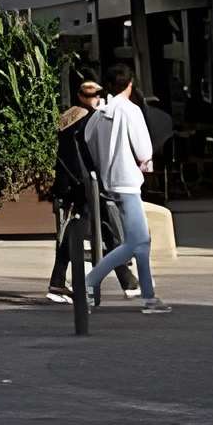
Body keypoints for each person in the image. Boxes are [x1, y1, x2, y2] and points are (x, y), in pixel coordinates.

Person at [84, 64, 165, 312]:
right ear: (130, 84)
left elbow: (88, 142)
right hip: (128, 182)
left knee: (140, 242)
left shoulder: (99, 113)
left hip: (108, 182)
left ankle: (149, 296)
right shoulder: (131, 110)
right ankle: (90, 281)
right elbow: (144, 150)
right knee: (136, 241)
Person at [45, 77, 111, 305]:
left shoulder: (68, 117)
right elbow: (86, 154)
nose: (97, 98)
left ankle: (59, 281)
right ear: (82, 96)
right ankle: (126, 278)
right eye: (92, 95)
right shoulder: (88, 120)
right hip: (81, 184)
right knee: (93, 227)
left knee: (77, 229)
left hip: (67, 183)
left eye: (98, 94)